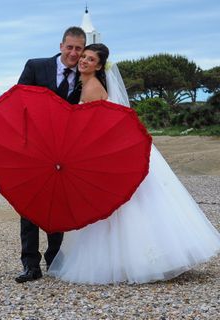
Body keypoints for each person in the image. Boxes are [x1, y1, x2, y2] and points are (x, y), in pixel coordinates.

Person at [48, 44, 220, 284]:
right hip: (112, 149)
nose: (84, 61)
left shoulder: (91, 89)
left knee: (123, 204)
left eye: (90, 59)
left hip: (108, 152)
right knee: (128, 203)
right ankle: (140, 257)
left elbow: (95, 127)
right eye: (83, 57)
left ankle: (132, 260)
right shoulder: (89, 85)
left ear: (98, 66)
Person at [14, 26, 86, 283]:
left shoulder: (86, 75)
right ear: (61, 45)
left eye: (78, 48)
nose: (73, 53)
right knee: (29, 205)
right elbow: (18, 102)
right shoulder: (35, 66)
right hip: (33, 149)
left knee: (59, 203)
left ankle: (55, 258)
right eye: (70, 47)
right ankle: (30, 264)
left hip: (65, 152)